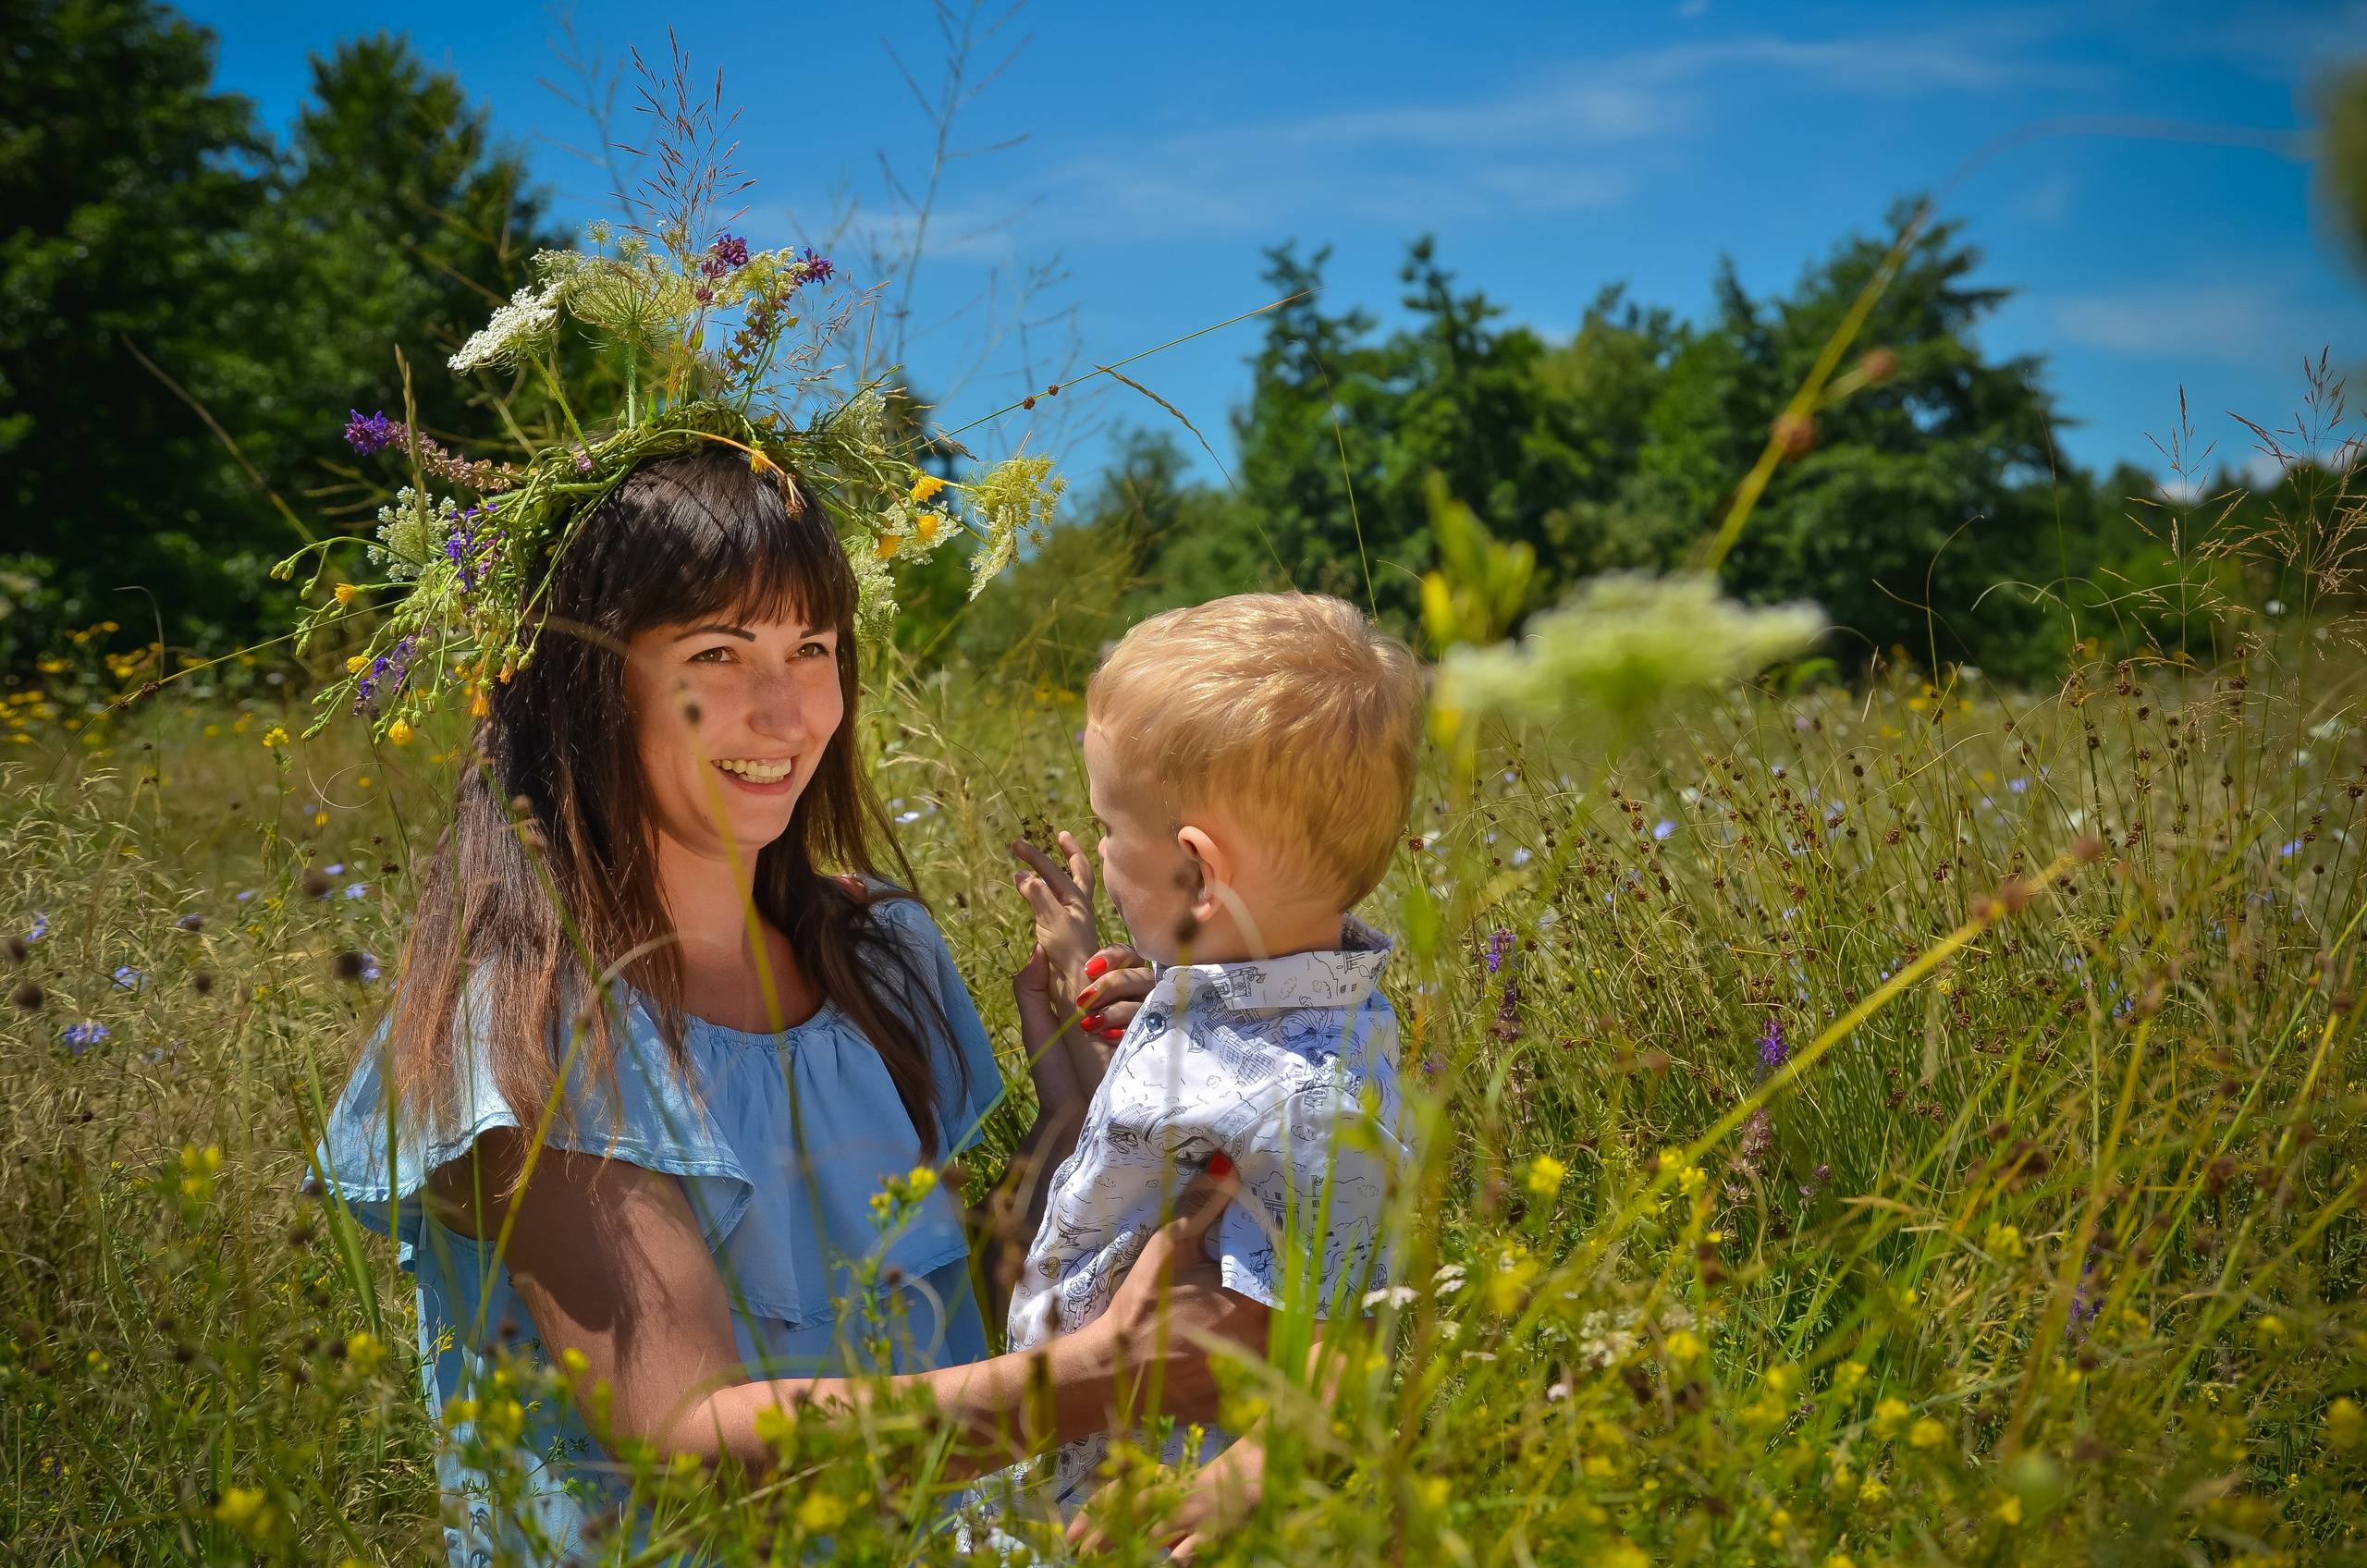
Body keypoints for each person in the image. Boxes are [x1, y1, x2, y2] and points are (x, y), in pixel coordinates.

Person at [313, 451, 1260, 1565]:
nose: (782, 711)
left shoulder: (879, 950)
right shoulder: (530, 1024)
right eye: (716, 652)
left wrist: (1094, 1100)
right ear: (584, 682)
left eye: (810, 648)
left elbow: (937, 1300)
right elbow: (697, 1439)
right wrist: (1104, 1383)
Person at [997, 592, 1422, 1554]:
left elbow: (1340, 1351)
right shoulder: (1244, 992)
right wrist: (1078, 964)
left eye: (1110, 830)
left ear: (1196, 874)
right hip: (1082, 1433)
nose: (1100, 852)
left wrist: (1244, 1481)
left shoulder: (1310, 1100)